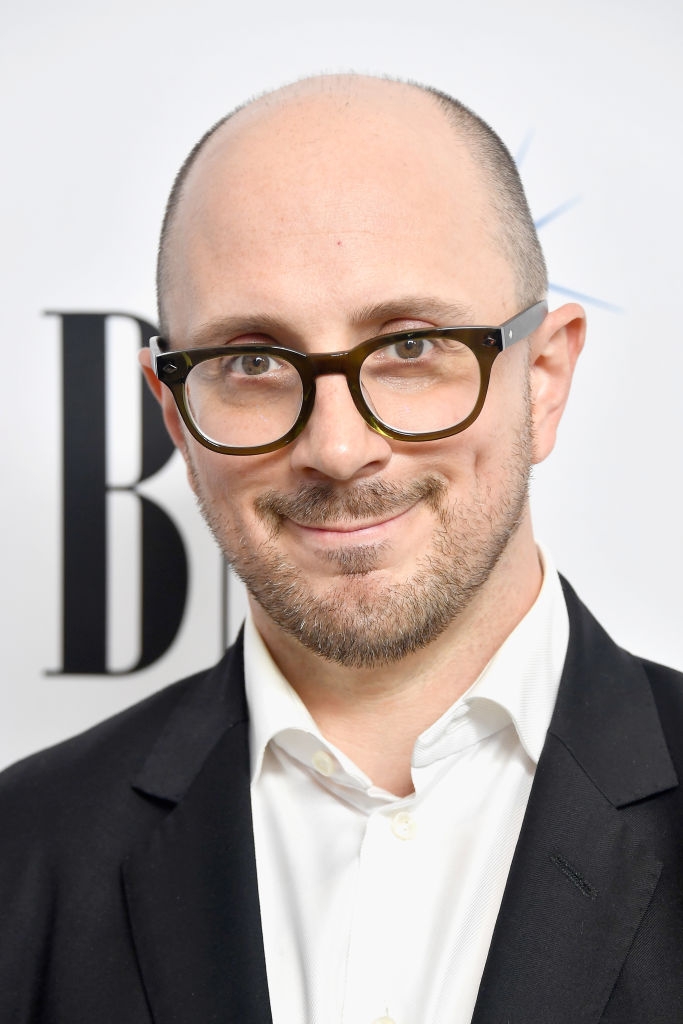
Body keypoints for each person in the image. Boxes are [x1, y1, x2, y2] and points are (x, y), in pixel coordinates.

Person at [2, 74, 682, 1024]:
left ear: (544, 378)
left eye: (409, 348)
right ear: (174, 412)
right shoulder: (22, 856)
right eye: (251, 361)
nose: (334, 447)